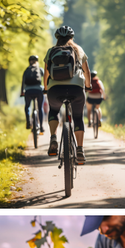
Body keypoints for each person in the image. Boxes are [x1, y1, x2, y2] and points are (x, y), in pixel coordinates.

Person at [43, 25, 92, 164]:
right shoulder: (78, 50)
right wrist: (88, 86)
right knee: (78, 117)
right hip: (76, 89)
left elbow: (46, 73)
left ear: (57, 38)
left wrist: (46, 88)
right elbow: (87, 71)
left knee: (54, 111)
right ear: (71, 37)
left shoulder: (51, 51)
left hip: (55, 89)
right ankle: (80, 150)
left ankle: (53, 138)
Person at [20, 55, 45, 133]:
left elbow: (23, 82)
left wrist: (22, 92)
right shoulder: (40, 69)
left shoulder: (26, 70)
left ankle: (28, 122)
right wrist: (45, 89)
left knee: (27, 106)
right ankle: (41, 126)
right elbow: (46, 78)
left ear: (29, 62)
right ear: (37, 61)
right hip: (39, 91)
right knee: (40, 108)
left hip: (28, 91)